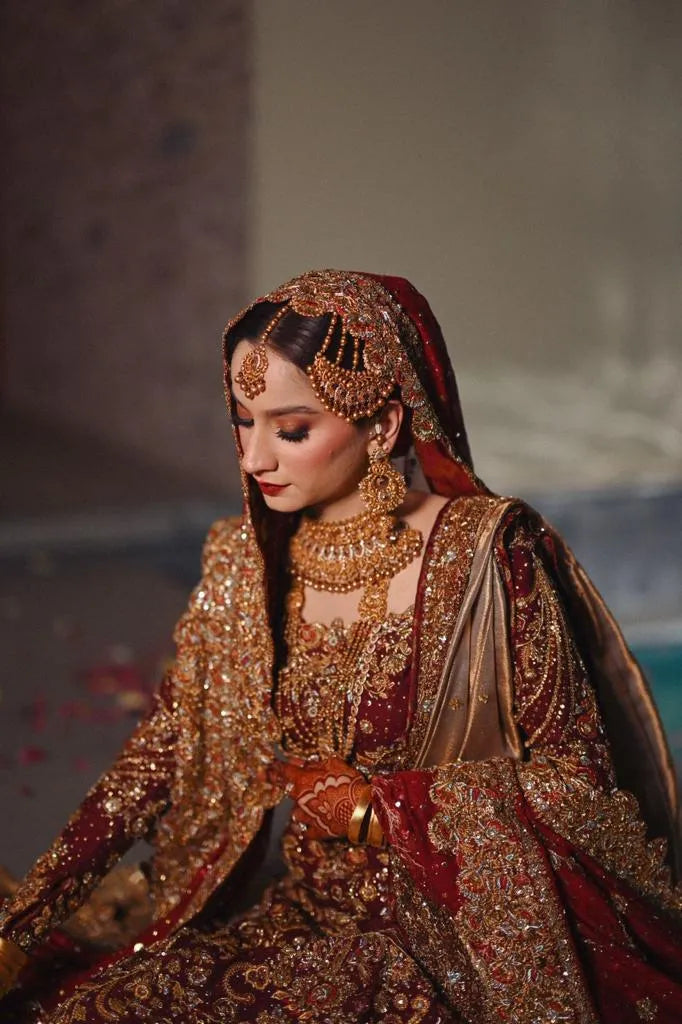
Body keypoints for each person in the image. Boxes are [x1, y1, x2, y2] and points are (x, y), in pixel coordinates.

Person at [0, 269, 681, 1023]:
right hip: (305, 916)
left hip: (460, 934)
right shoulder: (244, 561)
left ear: (383, 426)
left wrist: (378, 812)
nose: (256, 458)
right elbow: (160, 756)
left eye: (290, 430)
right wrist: (24, 923)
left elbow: (579, 780)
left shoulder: (484, 557)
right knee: (104, 1007)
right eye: (242, 420)